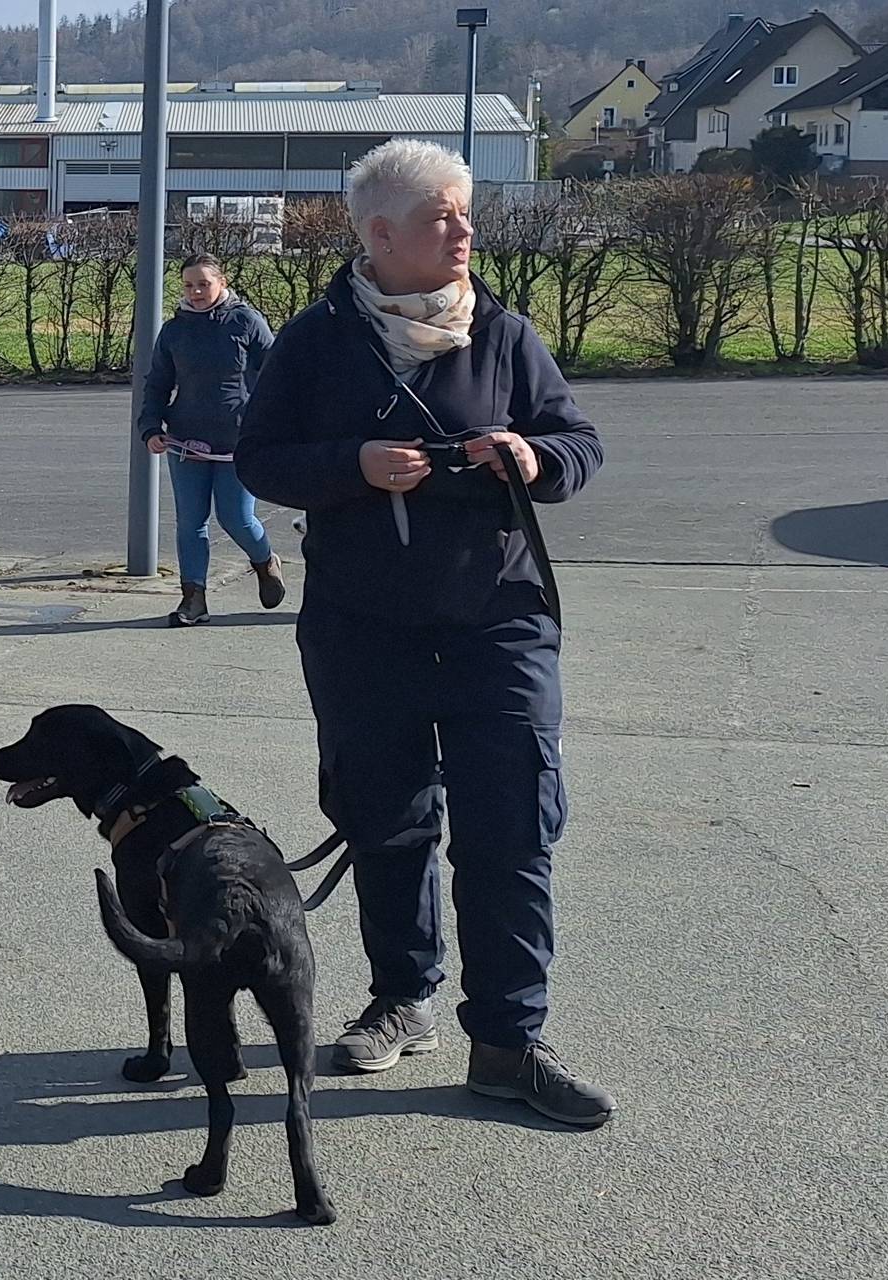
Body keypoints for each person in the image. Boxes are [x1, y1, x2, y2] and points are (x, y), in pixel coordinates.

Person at [236, 140, 613, 1126]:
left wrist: (532, 456)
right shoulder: (314, 342)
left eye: (464, 213)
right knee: (387, 823)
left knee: (512, 829)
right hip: (363, 631)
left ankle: (507, 1041)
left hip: (500, 624)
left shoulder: (504, 333)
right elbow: (260, 460)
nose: (464, 232)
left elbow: (580, 443)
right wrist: (355, 461)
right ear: (378, 235)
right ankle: (402, 998)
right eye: (443, 215)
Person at [135, 252, 283, 625]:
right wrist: (151, 427)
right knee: (191, 522)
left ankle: (265, 562)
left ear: (222, 283)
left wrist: (273, 423)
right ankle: (193, 599)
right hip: (186, 442)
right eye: (189, 285)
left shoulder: (245, 321)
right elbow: (157, 383)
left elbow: (277, 374)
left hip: (238, 443)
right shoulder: (174, 331)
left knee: (236, 518)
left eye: (204, 283)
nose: (196, 291)